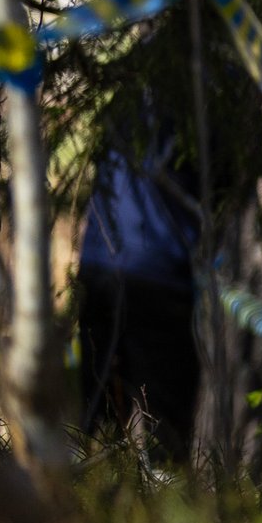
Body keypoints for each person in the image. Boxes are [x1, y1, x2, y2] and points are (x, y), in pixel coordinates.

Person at [76, 138, 204, 458]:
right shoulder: (207, 103)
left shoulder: (121, 104)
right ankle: (164, 495)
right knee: (166, 428)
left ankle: (86, 488)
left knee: (95, 415)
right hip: (161, 276)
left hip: (100, 265)